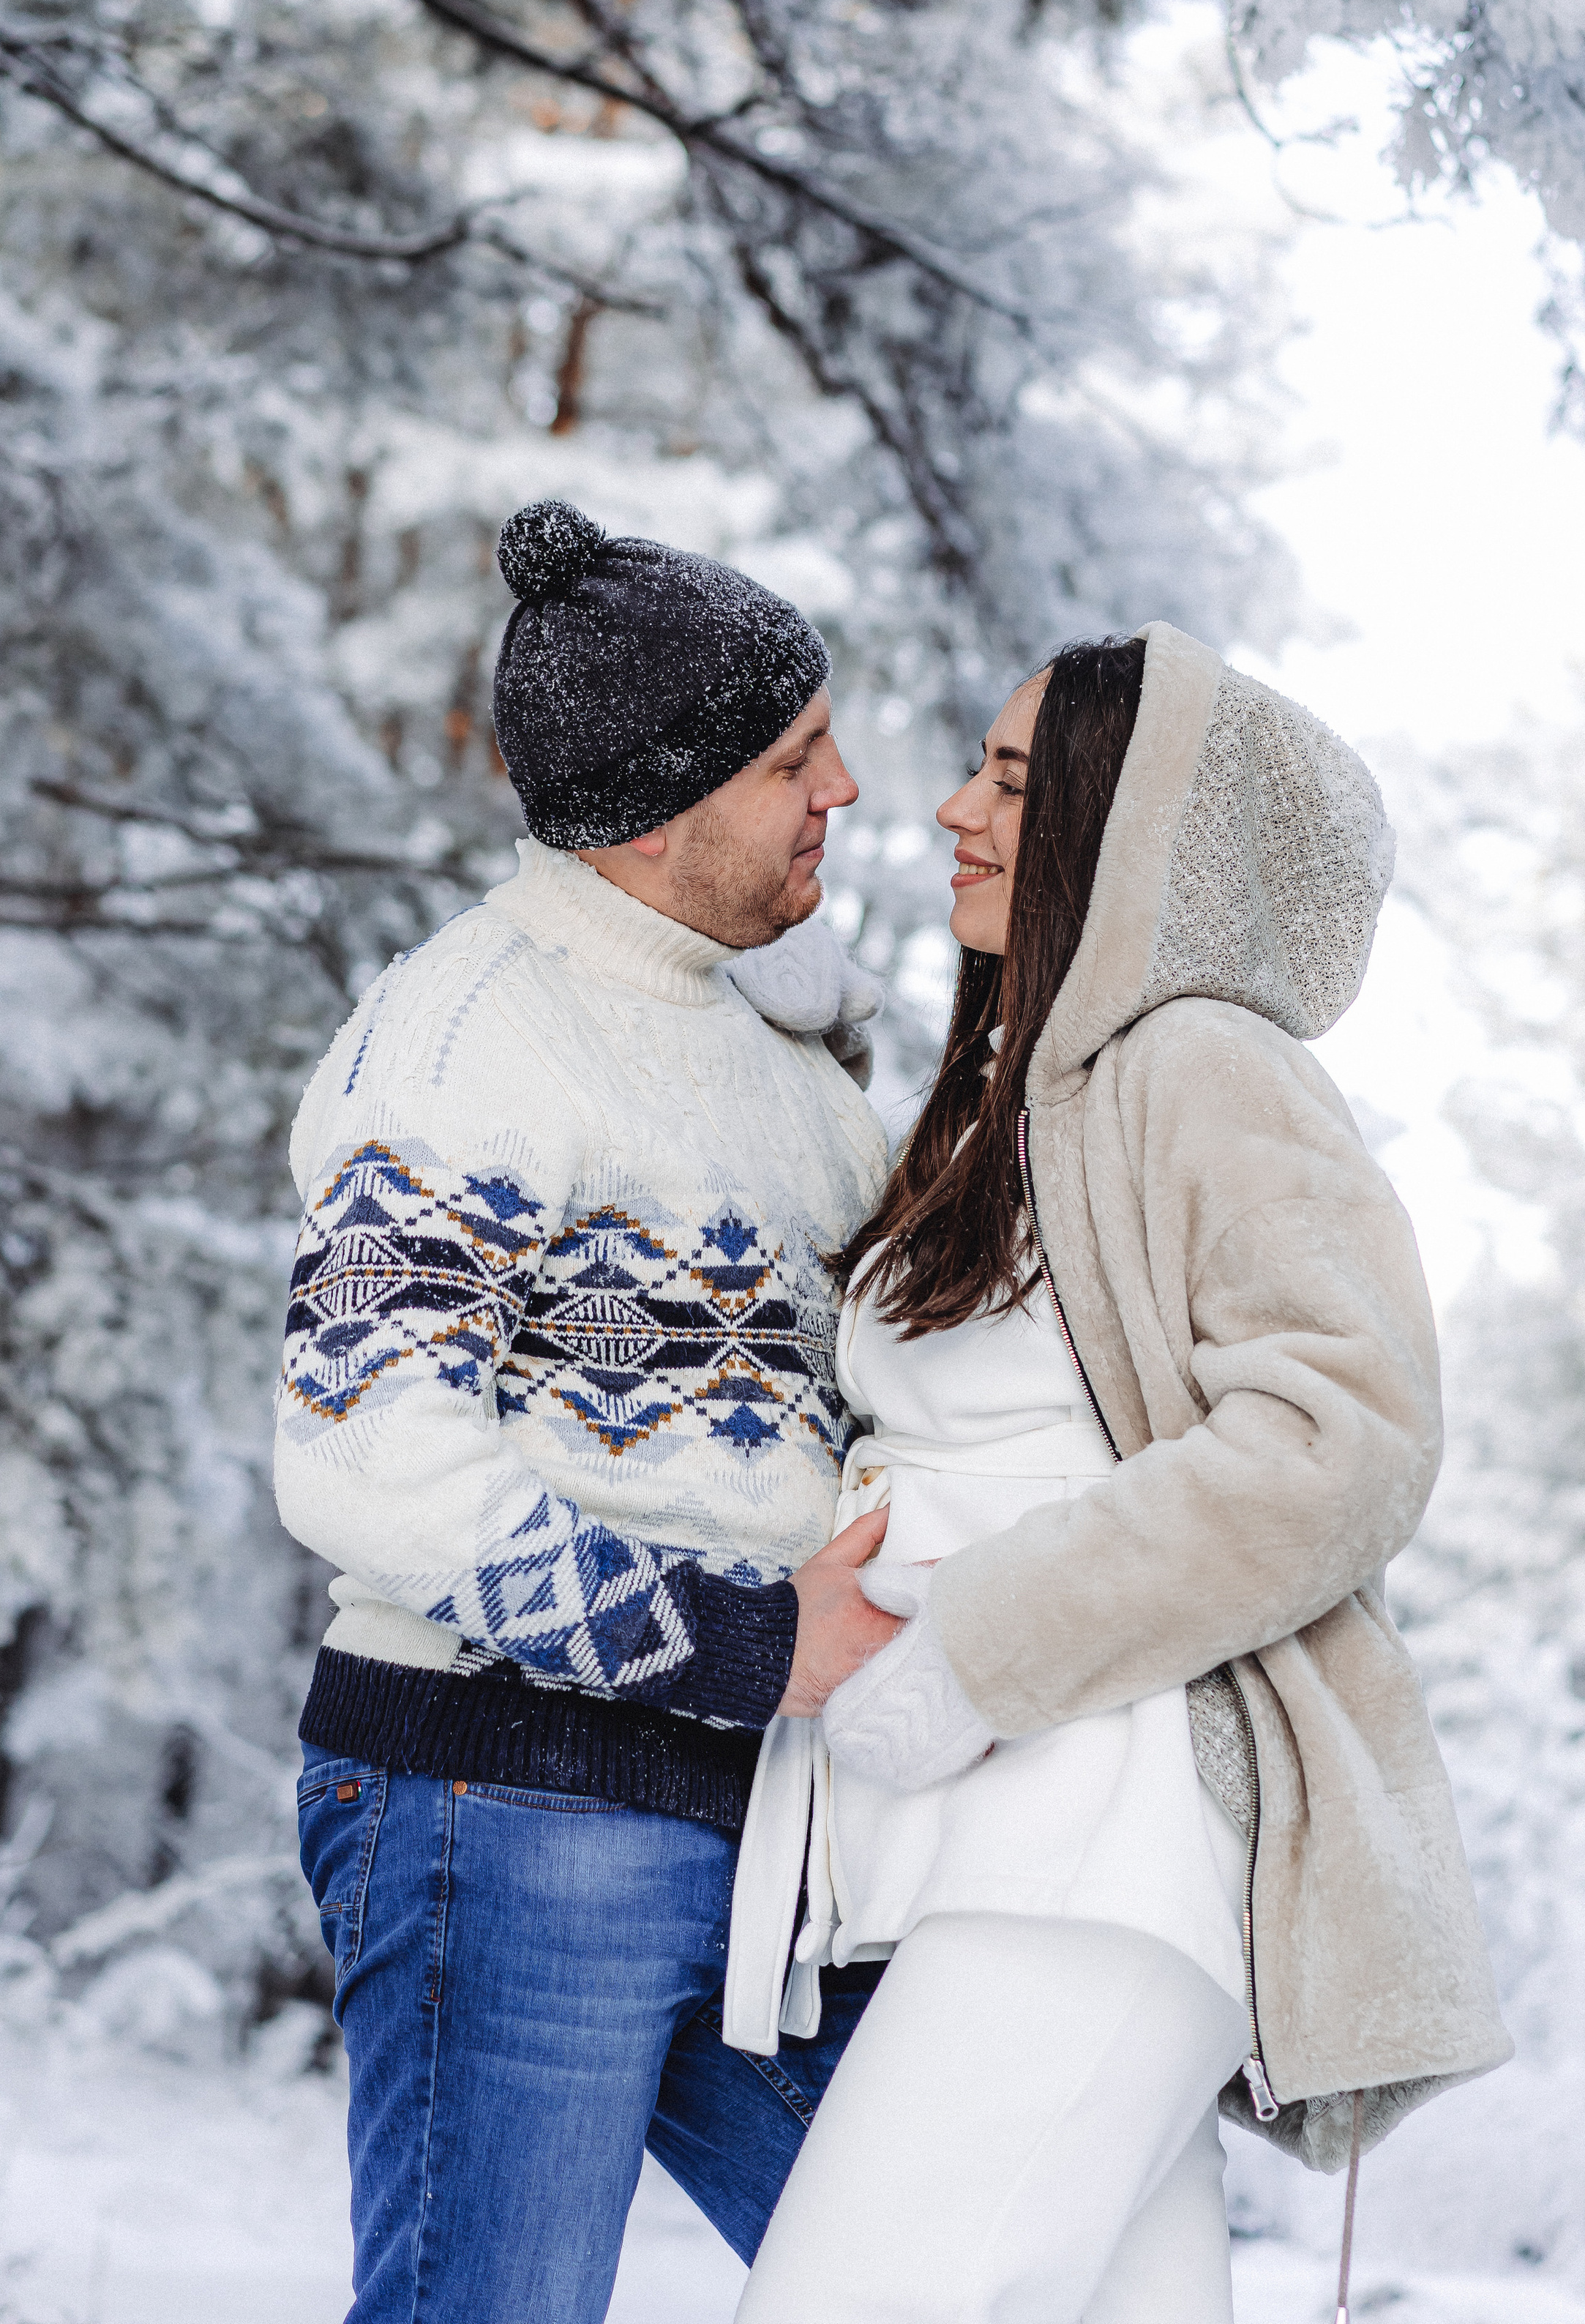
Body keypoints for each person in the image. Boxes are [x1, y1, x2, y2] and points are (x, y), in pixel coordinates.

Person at [728, 624, 1513, 2324]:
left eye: (1010, 782)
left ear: (1127, 828)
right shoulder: (1018, 1108)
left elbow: (1342, 1432)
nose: (948, 809)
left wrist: (977, 1646)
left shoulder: (1196, 1068)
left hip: (1103, 1832)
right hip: (1000, 1842)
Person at [274, 498, 906, 2324]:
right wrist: (740, 1645)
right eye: (795, 757)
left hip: (767, 1823)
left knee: (964, 2263)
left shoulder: (778, 1061)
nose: (844, 788)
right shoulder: (469, 1036)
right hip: (500, 1794)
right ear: (663, 796)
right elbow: (367, 1460)